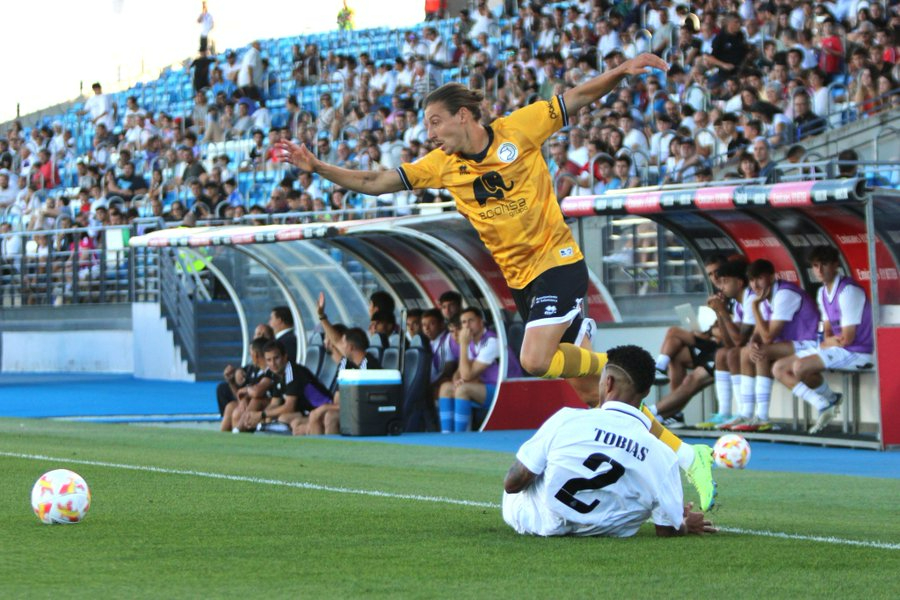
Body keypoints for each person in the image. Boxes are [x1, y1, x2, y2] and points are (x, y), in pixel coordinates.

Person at [276, 54, 716, 510]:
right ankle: (688, 454)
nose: (429, 133)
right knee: (596, 396)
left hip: (558, 262)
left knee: (534, 358)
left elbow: (578, 97)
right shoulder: (441, 165)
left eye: (435, 122)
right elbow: (376, 180)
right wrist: (319, 167)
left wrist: (622, 71)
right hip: (523, 283)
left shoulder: (519, 129)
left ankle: (635, 363)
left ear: (463, 116)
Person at [503, 345, 718, 537]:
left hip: (536, 522)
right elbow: (667, 529)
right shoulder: (664, 455)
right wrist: (686, 525)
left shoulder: (566, 419)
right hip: (605, 531)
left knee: (533, 469)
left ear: (608, 382)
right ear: (647, 392)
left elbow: (513, 484)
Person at [773, 247, 873, 435]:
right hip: (839, 348)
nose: (819, 270)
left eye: (824, 264)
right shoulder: (822, 292)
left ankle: (827, 403)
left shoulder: (848, 291)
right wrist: (829, 342)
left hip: (858, 351)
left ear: (835, 265)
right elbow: (827, 333)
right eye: (815, 266)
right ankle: (826, 401)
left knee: (800, 367)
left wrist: (829, 342)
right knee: (779, 368)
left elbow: (847, 337)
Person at [721, 259, 819, 432]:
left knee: (762, 352)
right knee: (747, 352)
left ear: (772, 277)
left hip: (812, 342)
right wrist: (752, 343)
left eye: (759, 279)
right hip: (791, 344)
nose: (755, 284)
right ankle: (747, 413)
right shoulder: (765, 297)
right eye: (752, 280)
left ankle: (763, 417)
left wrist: (755, 306)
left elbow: (767, 337)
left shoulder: (784, 294)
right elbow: (760, 332)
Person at [239, 340, 331, 432]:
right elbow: (275, 403)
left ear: (285, 357)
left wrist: (261, 415)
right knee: (270, 418)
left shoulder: (292, 371)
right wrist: (261, 418)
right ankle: (241, 431)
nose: (273, 363)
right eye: (269, 360)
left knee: (284, 419)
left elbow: (289, 407)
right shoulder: (276, 374)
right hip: (307, 412)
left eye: (276, 358)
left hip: (323, 409)